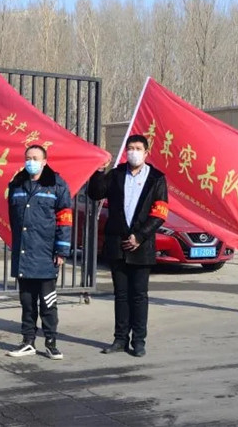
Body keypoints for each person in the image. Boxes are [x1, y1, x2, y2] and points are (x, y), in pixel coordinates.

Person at [87, 134, 168, 358]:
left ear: (146, 152)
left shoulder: (157, 178)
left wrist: (140, 236)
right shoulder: (116, 174)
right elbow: (95, 193)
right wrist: (99, 171)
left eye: (138, 148)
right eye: (130, 148)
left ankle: (139, 340)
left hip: (141, 245)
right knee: (121, 295)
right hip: (117, 243)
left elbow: (160, 213)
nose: (133, 152)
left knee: (139, 295)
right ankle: (120, 338)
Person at [6, 145, 72, 360]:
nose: (31, 161)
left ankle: (51, 342)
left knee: (48, 302)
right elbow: (13, 217)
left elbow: (65, 219)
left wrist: (61, 250)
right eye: (28, 158)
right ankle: (28, 341)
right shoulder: (17, 184)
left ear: (44, 161)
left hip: (46, 253)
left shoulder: (57, 185)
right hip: (24, 253)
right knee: (27, 302)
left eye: (35, 158)